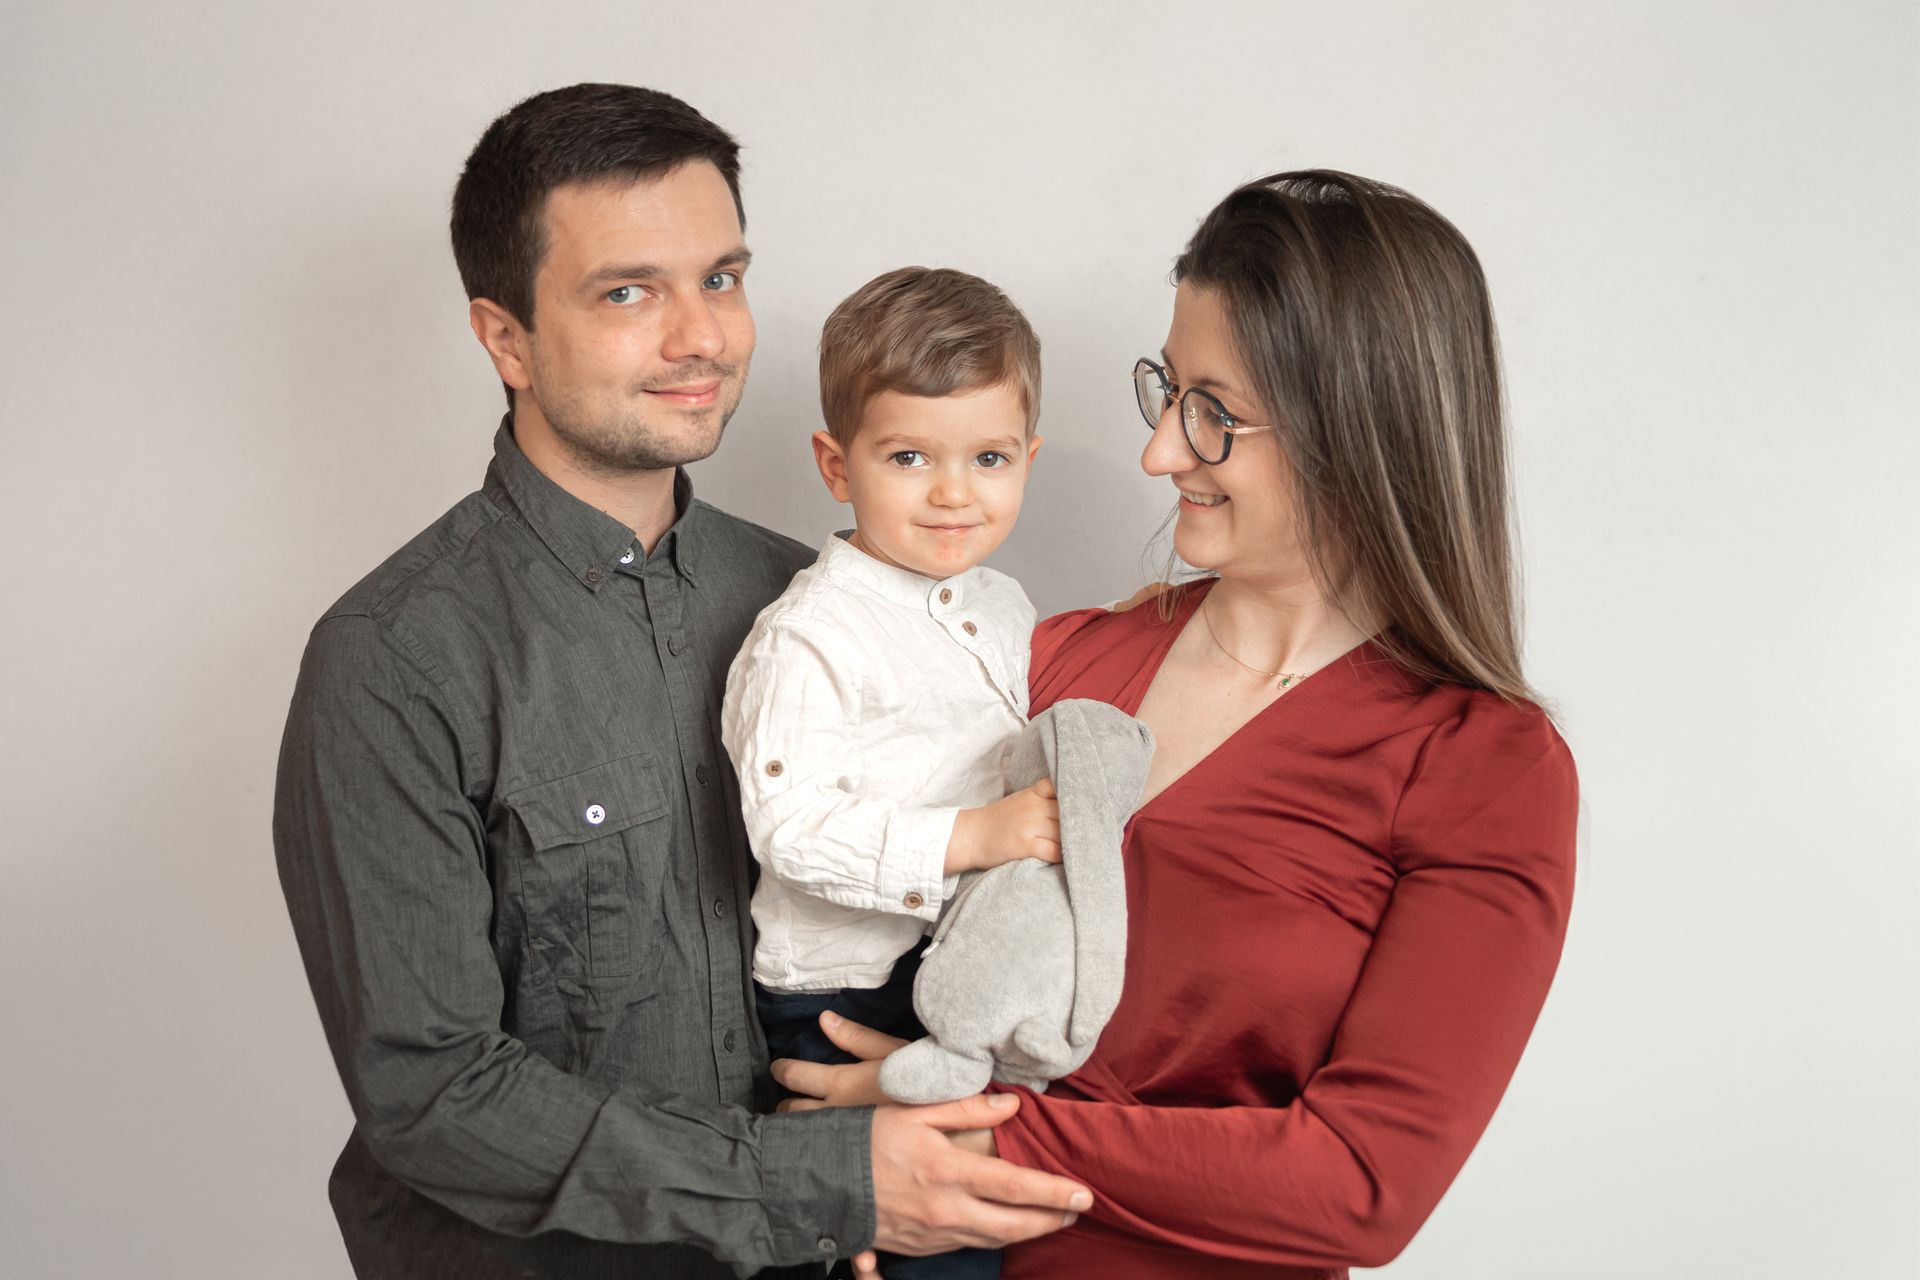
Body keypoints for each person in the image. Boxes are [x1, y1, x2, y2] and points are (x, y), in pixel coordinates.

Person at [271, 84, 1088, 1280]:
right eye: (627, 292)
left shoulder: (818, 596)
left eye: (720, 276)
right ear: (506, 338)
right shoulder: (394, 660)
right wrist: (825, 1183)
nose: (702, 335)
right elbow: (433, 1091)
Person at [774, 170, 1580, 1280]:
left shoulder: (1479, 761)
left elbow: (1361, 1185)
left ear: (1360, 429)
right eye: (1168, 392)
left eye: (1215, 413)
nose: (1160, 452)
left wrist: (957, 1130)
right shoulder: (1054, 658)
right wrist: (844, 1176)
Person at [722, 266, 1062, 1280]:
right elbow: (789, 824)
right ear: (837, 462)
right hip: (851, 992)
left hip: (963, 969)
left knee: (991, 1220)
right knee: (921, 1245)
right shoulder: (810, 636)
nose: (954, 491)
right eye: (909, 456)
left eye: (989, 457)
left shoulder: (1002, 600)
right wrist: (974, 838)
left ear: (1028, 459)